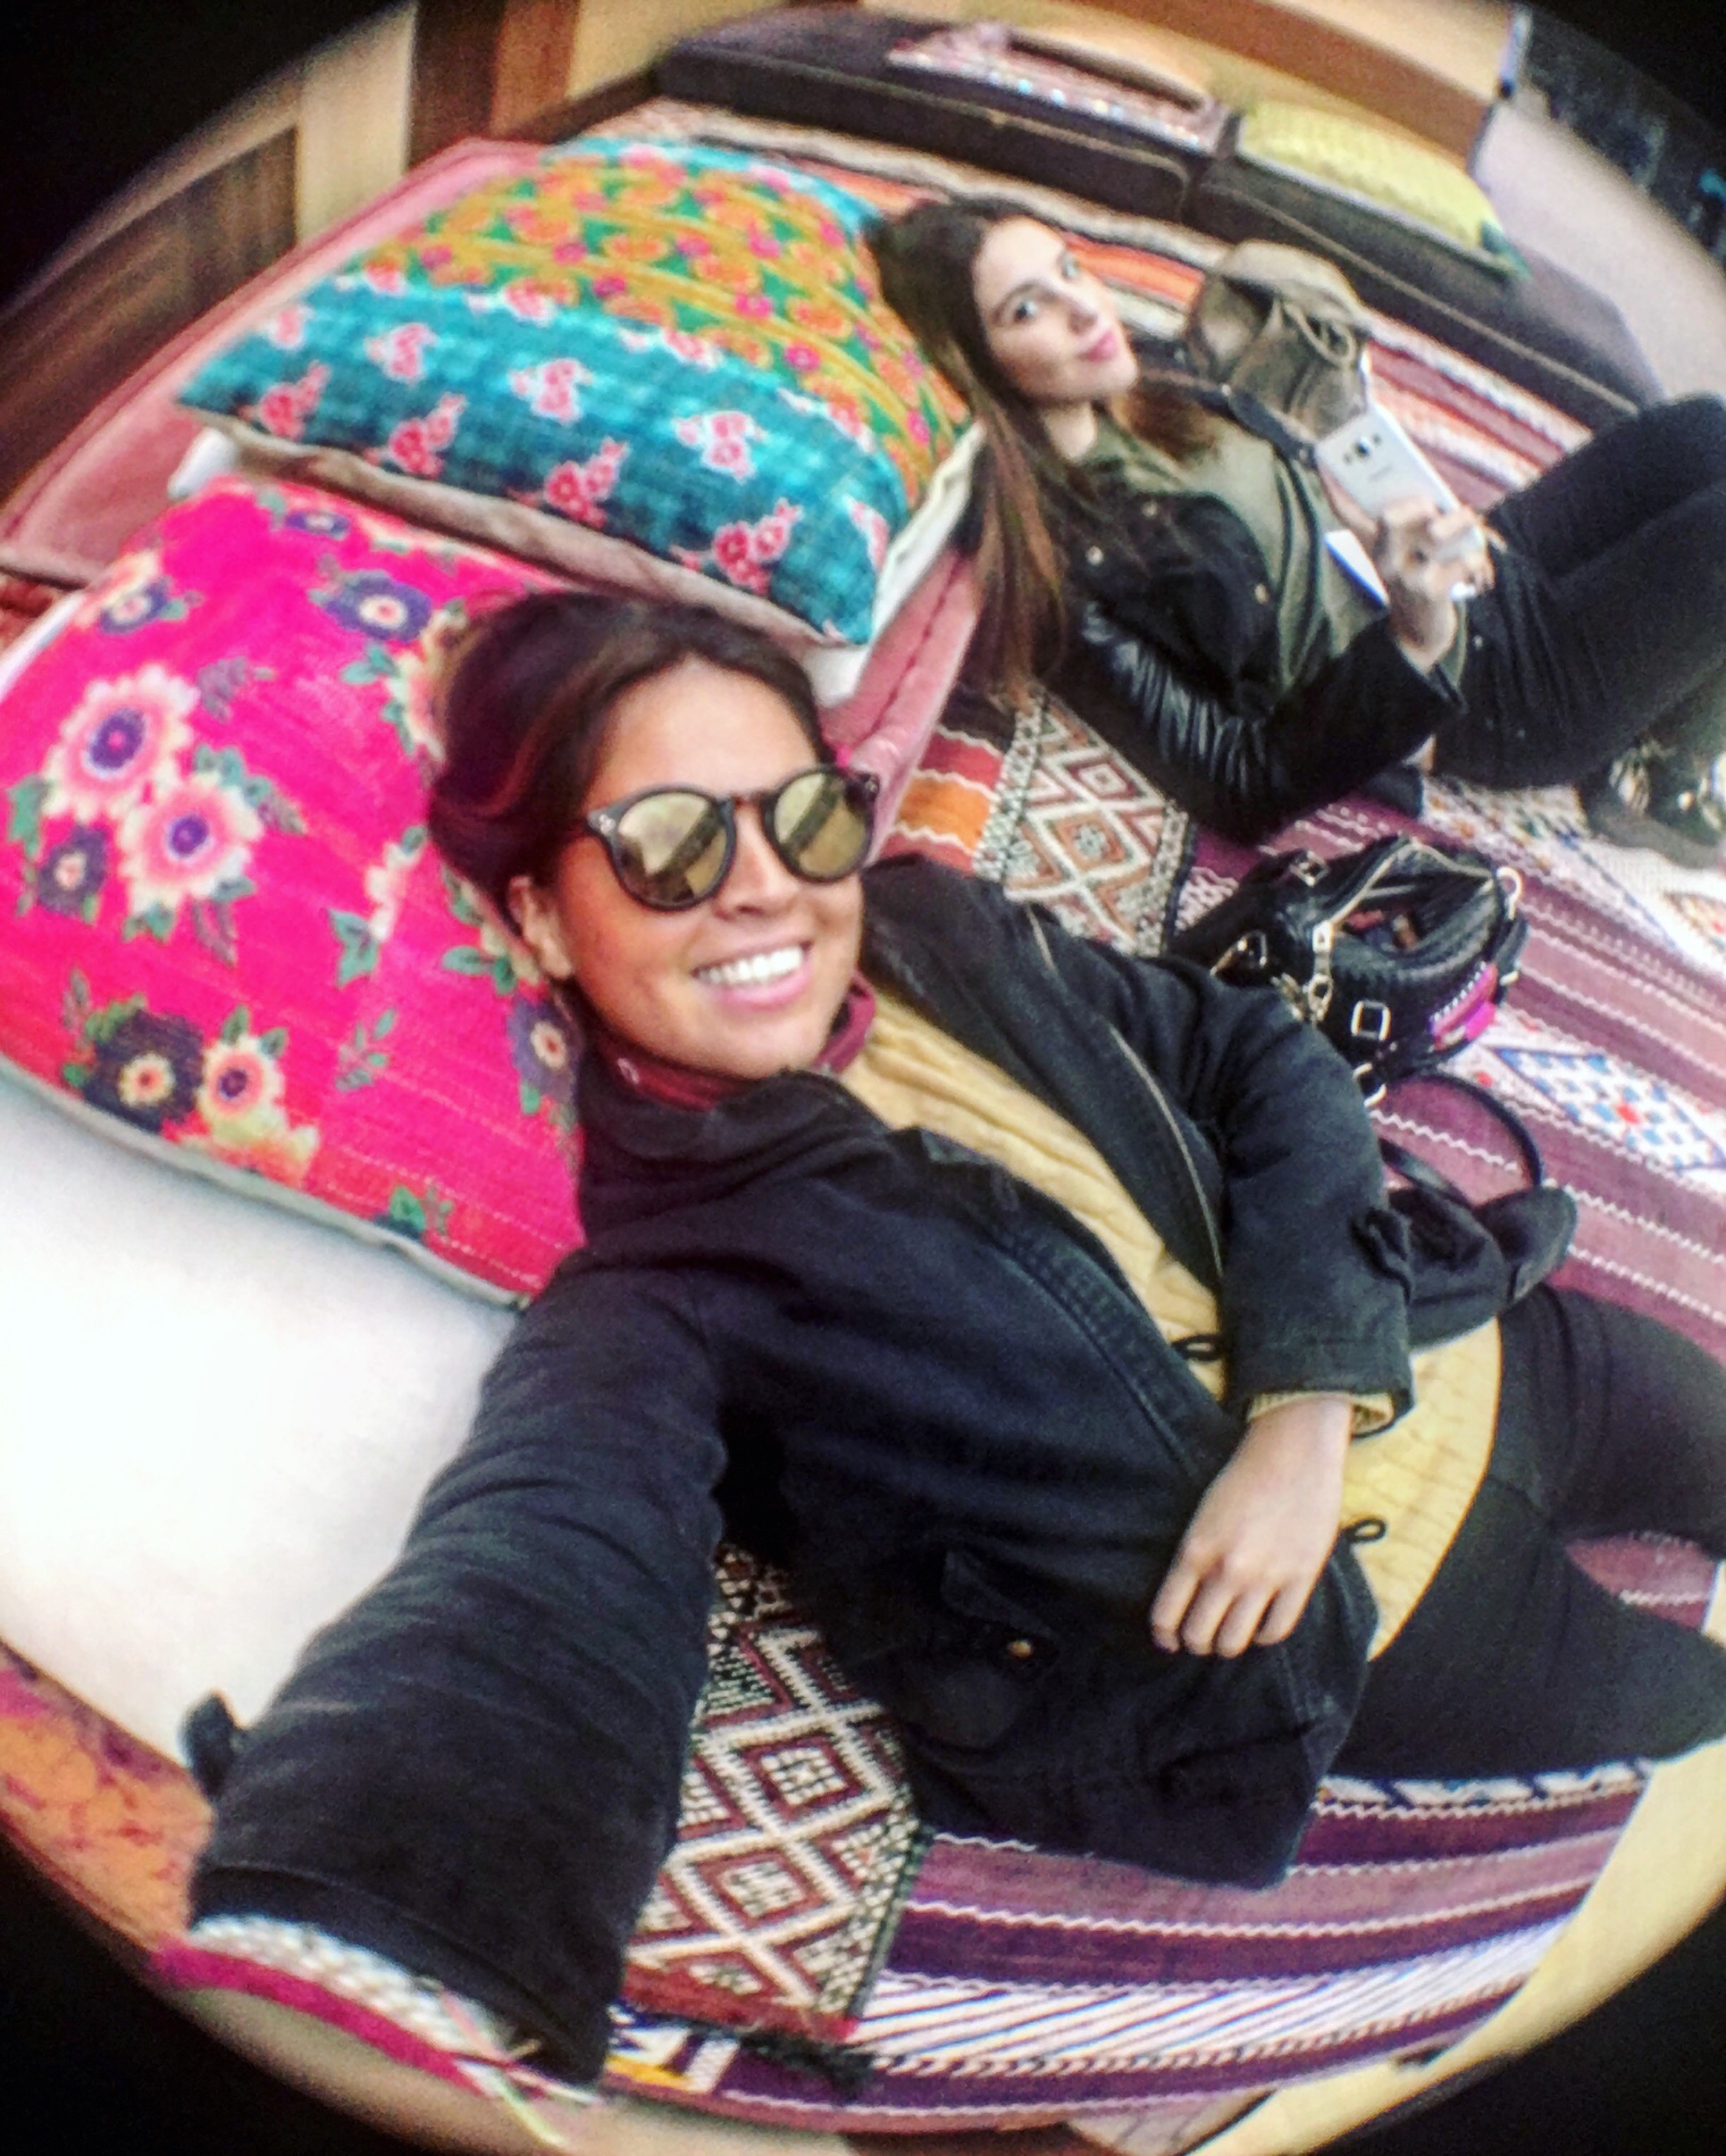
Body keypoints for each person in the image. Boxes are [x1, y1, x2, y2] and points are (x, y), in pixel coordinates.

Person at [158, 595, 1726, 2152]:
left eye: (798, 817)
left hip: (1452, 1327)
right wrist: (389, 1899)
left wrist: (1302, 1406)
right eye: (670, 845)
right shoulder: (663, 1283)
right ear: (544, 920)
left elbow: (1257, 1050)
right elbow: (552, 1548)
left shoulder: (929, 923)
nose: (763, 888)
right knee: (1690, 1703)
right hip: (1368, 1624)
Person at [867, 199, 1726, 865]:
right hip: (1486, 688)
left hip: (1446, 563)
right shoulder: (1075, 573)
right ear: (975, 364)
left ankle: (1665, 734)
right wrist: (1417, 635)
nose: (1086, 310)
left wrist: (1351, 496)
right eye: (1027, 310)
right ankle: (1657, 781)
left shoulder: (1133, 388)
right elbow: (1241, 784)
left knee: (1702, 432)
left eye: (1068, 270)